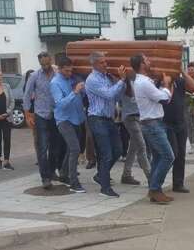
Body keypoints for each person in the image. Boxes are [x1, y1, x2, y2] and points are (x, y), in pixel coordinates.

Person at [131, 53, 175, 204]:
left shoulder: (144, 81)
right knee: (168, 157)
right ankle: (155, 189)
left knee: (158, 157)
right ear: (142, 65)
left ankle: (155, 189)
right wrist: (167, 84)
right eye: (147, 60)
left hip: (153, 123)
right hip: (152, 124)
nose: (150, 62)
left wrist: (162, 87)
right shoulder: (143, 83)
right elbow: (163, 98)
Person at [85, 52, 127, 198]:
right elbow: (109, 94)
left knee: (118, 150)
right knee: (106, 153)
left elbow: (115, 97)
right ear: (95, 64)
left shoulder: (106, 77)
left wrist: (120, 83)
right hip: (97, 119)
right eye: (102, 62)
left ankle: (100, 175)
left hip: (109, 118)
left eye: (105, 61)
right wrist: (121, 80)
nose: (106, 64)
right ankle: (105, 187)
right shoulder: (92, 79)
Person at [24, 53, 65, 189]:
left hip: (56, 114)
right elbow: (27, 94)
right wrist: (28, 114)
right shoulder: (34, 76)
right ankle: (45, 178)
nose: (45, 66)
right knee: (42, 147)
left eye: (47, 63)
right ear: (39, 63)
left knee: (55, 146)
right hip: (41, 115)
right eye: (43, 64)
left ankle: (52, 171)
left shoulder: (58, 74)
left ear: (51, 61)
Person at [50, 56, 86, 194]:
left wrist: (81, 90)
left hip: (77, 118)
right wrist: (75, 92)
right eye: (66, 71)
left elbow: (81, 95)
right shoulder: (55, 83)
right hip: (64, 120)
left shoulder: (72, 79)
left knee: (71, 149)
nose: (69, 73)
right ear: (59, 69)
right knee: (75, 149)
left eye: (71, 71)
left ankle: (64, 174)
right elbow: (60, 104)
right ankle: (73, 182)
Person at [162, 68, 194, 193]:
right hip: (167, 123)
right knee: (172, 154)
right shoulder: (161, 80)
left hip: (181, 122)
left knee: (181, 154)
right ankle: (157, 181)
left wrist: (183, 72)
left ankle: (178, 183)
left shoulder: (180, 80)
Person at [119, 71, 151, 185]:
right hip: (130, 117)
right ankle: (151, 178)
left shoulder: (140, 82)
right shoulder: (123, 84)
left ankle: (126, 175)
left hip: (139, 117)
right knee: (141, 147)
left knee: (133, 148)